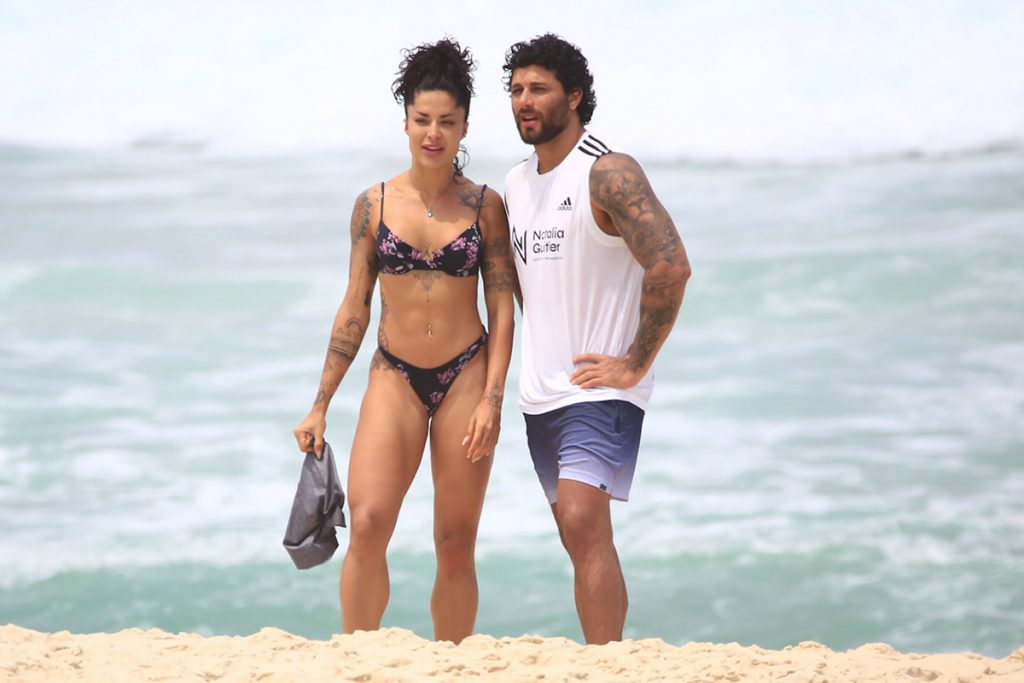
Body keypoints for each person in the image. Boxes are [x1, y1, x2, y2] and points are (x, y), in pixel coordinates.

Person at [293, 38, 515, 643]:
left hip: (466, 375)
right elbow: (353, 308)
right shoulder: (374, 204)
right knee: (366, 524)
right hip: (394, 375)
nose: (434, 133)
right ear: (406, 122)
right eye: (422, 120)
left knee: (454, 540)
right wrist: (320, 403)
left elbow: (501, 301)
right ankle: (358, 659)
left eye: (447, 121)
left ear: (465, 123)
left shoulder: (485, 206)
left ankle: (454, 662)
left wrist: (495, 397)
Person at [502, 34, 691, 644]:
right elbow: (532, 288)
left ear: (575, 96)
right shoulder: (515, 183)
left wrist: (634, 365)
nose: (523, 101)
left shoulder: (607, 171)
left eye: (538, 89)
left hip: (598, 385)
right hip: (542, 393)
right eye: (516, 90)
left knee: (585, 525)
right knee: (577, 536)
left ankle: (606, 663)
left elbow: (670, 264)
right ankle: (604, 655)